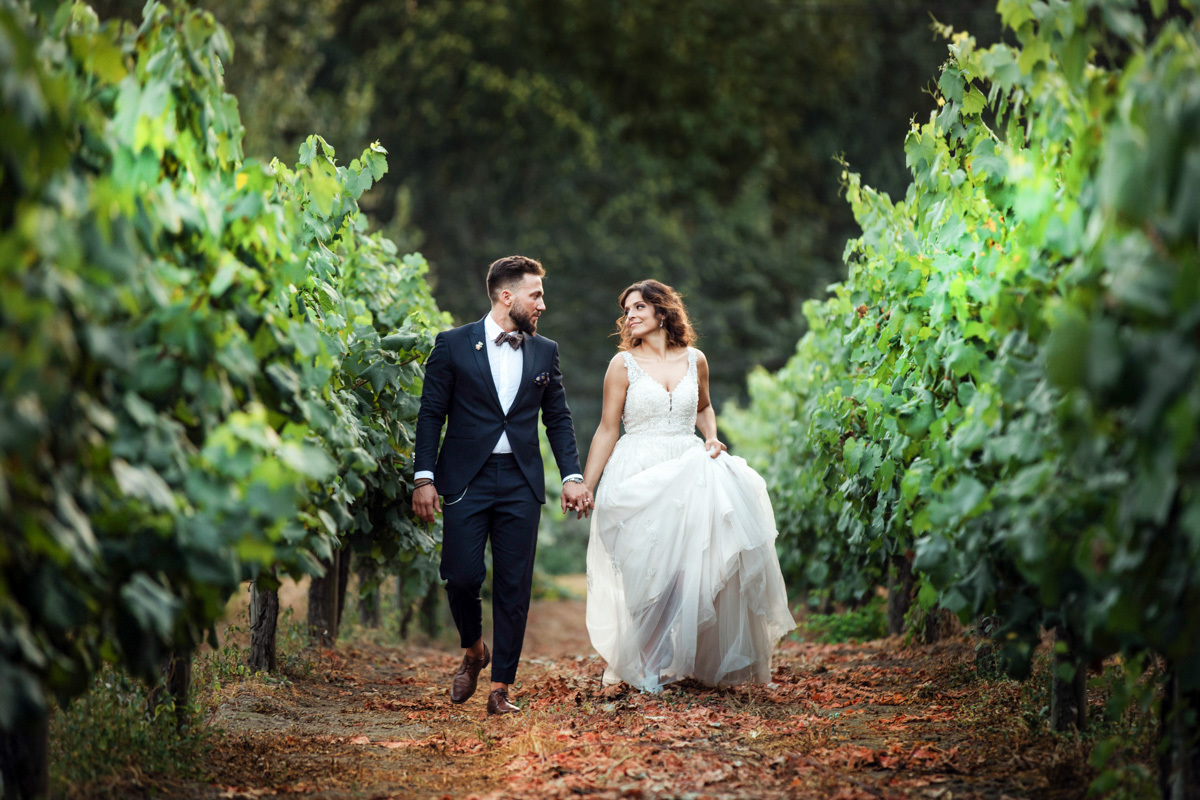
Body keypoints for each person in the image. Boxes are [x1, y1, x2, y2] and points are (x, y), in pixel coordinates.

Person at [581, 279, 795, 692]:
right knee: (648, 570)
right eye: (627, 310)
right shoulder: (621, 365)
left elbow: (704, 407)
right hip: (637, 471)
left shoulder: (695, 359)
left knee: (684, 569)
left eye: (639, 307)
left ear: (662, 311)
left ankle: (653, 660)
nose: (631, 316)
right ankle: (643, 658)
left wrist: (711, 435)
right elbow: (607, 429)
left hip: (688, 468)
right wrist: (586, 486)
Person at [413, 255, 593, 715]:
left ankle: (500, 688)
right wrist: (424, 476)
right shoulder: (452, 345)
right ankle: (474, 649)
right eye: (536, 295)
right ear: (506, 296)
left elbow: (557, 418)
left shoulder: (544, 351)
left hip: (520, 482)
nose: (542, 305)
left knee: (514, 585)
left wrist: (572, 475)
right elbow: (432, 413)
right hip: (465, 478)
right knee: (461, 575)